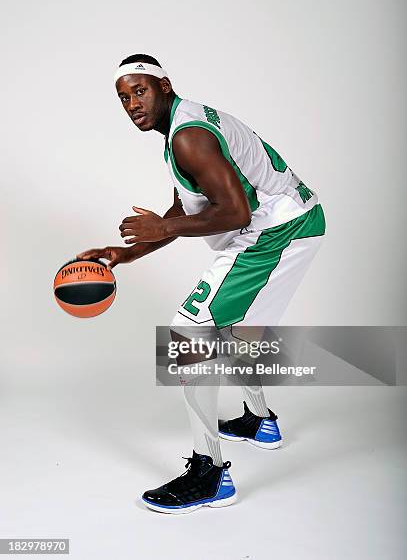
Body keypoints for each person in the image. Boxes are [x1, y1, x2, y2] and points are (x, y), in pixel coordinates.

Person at [78, 53, 326, 514]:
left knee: (190, 334)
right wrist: (124, 254)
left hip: (277, 230)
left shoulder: (190, 136)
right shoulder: (183, 128)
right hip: (293, 221)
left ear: (164, 86)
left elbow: (235, 213)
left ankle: (209, 476)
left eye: (140, 90)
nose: (132, 103)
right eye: (123, 97)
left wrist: (163, 230)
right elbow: (186, 210)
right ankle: (259, 421)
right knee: (233, 330)